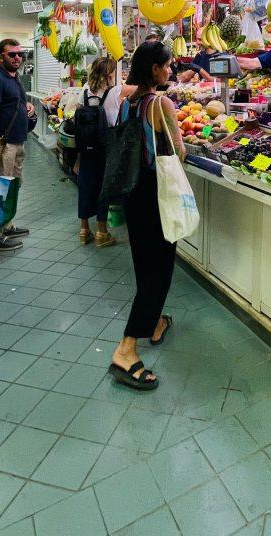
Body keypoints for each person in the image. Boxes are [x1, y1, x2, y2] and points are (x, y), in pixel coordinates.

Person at [109, 41, 185, 390]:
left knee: (144, 265)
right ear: (155, 69)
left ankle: (153, 323)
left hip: (132, 193)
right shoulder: (161, 102)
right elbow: (179, 151)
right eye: (167, 65)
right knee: (160, 271)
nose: (170, 70)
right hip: (156, 195)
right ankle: (126, 349)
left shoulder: (127, 103)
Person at [0, 38, 36, 253]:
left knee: (12, 188)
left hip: (18, 142)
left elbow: (13, 103)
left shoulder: (14, 78)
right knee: (0, 190)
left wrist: (26, 106)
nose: (17, 58)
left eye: (20, 54)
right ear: (1, 56)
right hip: (4, 145)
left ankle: (7, 225)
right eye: (12, 54)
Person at [76, 57, 121, 247]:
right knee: (103, 186)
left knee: (85, 184)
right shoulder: (115, 91)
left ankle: (84, 230)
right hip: (106, 145)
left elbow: (77, 114)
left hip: (86, 146)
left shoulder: (85, 91)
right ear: (110, 73)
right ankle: (102, 232)